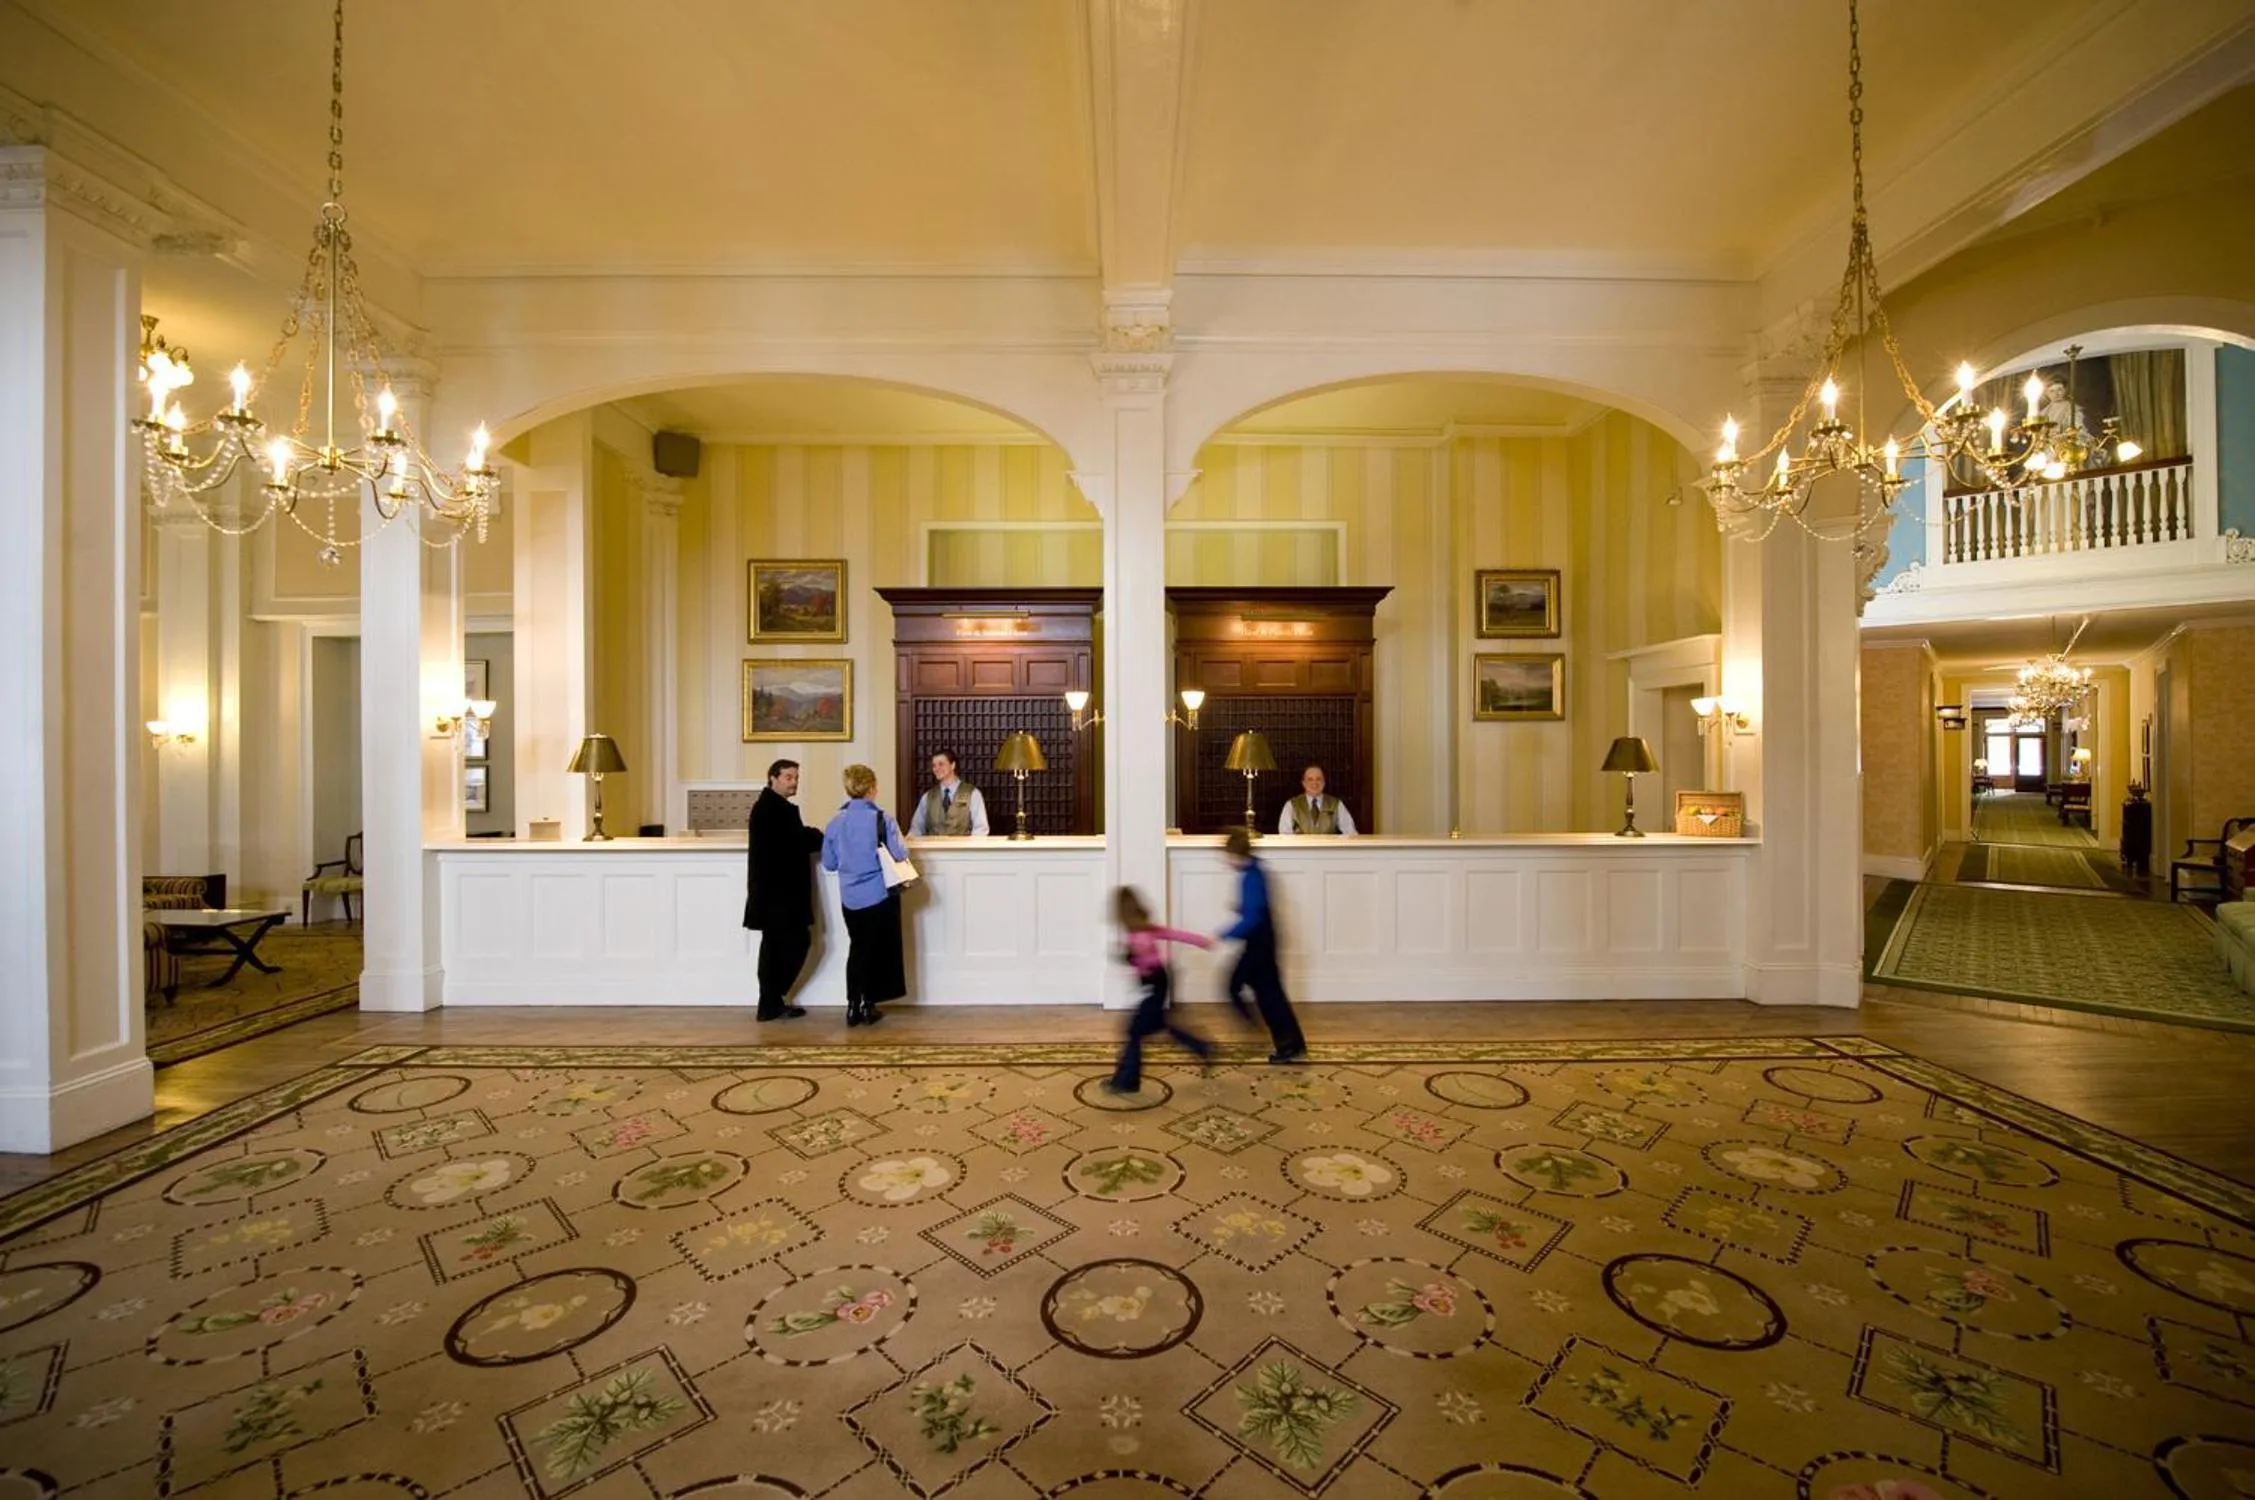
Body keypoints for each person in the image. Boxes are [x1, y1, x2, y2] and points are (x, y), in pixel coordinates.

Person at [821, 763, 911, 1027]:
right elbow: (900, 854)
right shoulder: (883, 819)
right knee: (877, 952)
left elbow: (829, 863)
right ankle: (868, 1005)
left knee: (857, 948)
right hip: (880, 895)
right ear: (872, 788)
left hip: (850, 898)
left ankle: (852, 1005)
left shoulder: (836, 822)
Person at [1107, 887, 1216, 1093]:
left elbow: (1149, 957)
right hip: (1157, 983)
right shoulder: (1139, 930)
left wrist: (1130, 957)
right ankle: (1202, 1047)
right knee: (1158, 1024)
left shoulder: (1140, 934)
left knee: (1134, 1031)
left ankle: (1126, 1082)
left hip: (1155, 985)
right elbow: (1176, 935)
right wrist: (1202, 941)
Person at [743, 758, 825, 1023]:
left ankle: (771, 1001)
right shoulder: (772, 809)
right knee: (789, 945)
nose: (794, 782)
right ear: (773, 778)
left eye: (796, 777)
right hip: (778, 896)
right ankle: (770, 1001)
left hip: (775, 895)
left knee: (777, 948)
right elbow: (797, 840)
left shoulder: (771, 807)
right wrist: (820, 835)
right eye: (789, 777)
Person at [1217, 825, 1307, 1063]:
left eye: (1228, 856)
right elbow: (1256, 908)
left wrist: (1224, 934)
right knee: (1266, 993)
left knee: (1263, 994)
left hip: (1260, 943)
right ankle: (1290, 1042)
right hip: (1261, 941)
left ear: (1236, 854)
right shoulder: (1256, 870)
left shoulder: (1250, 877)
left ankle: (1282, 1042)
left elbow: (1254, 918)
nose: (1227, 861)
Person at [908, 749, 990, 837]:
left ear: (953, 765)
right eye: (934, 765)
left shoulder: (973, 794)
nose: (936, 769)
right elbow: (916, 829)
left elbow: (981, 829)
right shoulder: (927, 796)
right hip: (934, 849)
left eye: (941, 764)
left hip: (963, 849)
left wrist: (969, 849)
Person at [1277, 763, 1359, 836]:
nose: (1314, 783)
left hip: (1329, 851)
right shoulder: (1291, 805)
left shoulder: (1336, 804)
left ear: (1324, 782)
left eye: (1318, 779)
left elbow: (1351, 833)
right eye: (1310, 779)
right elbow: (1285, 835)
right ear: (1303, 783)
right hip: (1301, 852)